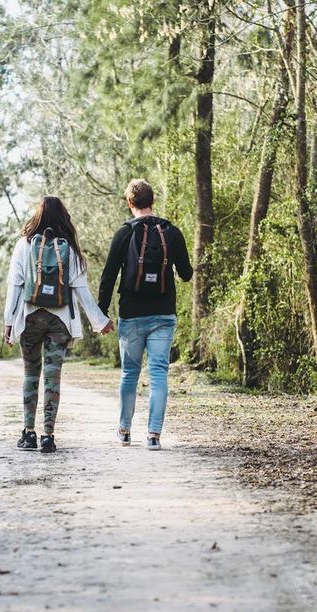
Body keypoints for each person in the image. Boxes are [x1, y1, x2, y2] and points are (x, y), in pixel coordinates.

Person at [3, 196, 114, 453]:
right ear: (63, 217)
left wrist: (9, 322)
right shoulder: (69, 248)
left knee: (30, 374)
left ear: (37, 216)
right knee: (53, 377)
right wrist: (100, 322)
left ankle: (28, 434)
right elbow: (82, 292)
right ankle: (48, 437)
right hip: (59, 321)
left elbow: (15, 287)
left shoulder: (23, 245)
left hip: (29, 318)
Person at [97, 179, 193, 450]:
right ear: (153, 201)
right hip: (163, 313)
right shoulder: (171, 232)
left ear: (130, 203)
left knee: (130, 373)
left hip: (131, 314)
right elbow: (187, 274)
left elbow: (108, 277)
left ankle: (125, 431)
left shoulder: (124, 233)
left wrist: (101, 315)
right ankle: (153, 436)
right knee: (159, 372)